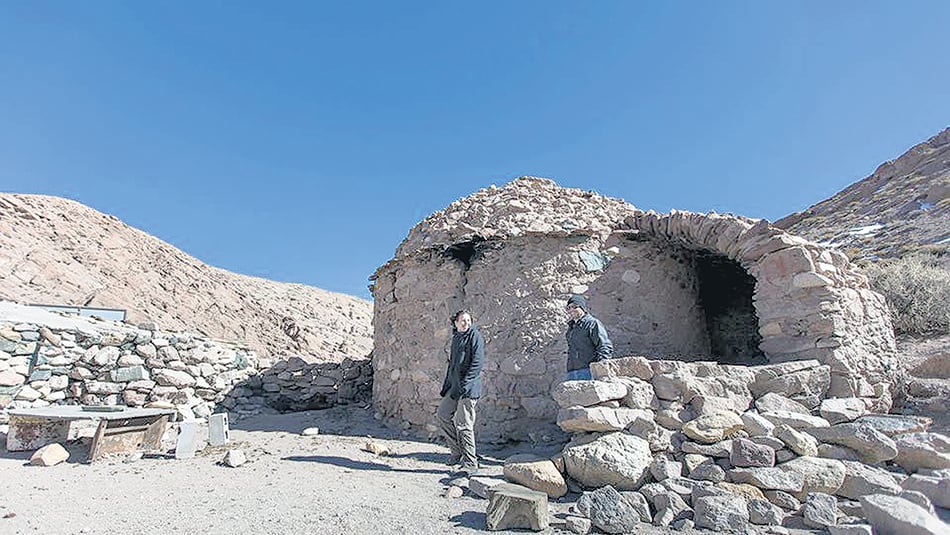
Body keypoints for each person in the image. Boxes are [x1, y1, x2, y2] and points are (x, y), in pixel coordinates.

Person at [437, 309, 485, 475]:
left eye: (468, 320)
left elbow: (477, 363)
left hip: (468, 388)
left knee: (464, 424)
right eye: (462, 321)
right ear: (455, 323)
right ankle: (457, 451)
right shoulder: (457, 338)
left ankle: (471, 463)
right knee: (443, 414)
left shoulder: (474, 336)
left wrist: (465, 384)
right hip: (454, 387)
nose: (466, 323)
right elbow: (452, 366)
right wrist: (447, 386)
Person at [565, 295, 613, 381]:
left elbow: (604, 345)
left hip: (588, 370)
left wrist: (601, 367)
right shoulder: (571, 327)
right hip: (572, 371)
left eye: (575, 306)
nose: (571, 310)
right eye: (568, 308)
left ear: (582, 308)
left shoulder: (592, 323)